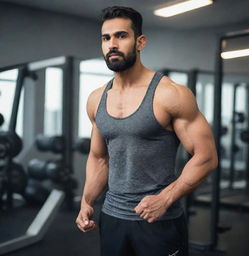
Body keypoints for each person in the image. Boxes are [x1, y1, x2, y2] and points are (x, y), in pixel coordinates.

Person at [76, 6, 218, 256]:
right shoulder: (96, 99)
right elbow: (99, 157)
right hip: (112, 217)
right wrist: (87, 201)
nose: (112, 44)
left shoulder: (170, 94)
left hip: (158, 221)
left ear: (140, 42)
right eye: (106, 38)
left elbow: (206, 157)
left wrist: (165, 199)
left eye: (121, 35)